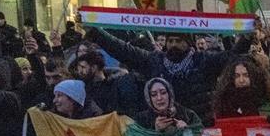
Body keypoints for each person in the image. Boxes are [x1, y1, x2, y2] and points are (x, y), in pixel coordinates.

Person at [85, 27, 236, 124]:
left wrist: (246, 39)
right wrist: (96, 33)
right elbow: (124, 50)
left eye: (179, 41)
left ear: (189, 43)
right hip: (166, 127)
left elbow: (232, 57)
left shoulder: (204, 60)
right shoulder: (155, 61)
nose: (173, 45)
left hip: (200, 125)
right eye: (170, 41)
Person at [212, 56, 270, 122]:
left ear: (255, 76)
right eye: (237, 76)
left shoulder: (268, 98)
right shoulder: (223, 102)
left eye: (246, 75)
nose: (241, 80)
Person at [73, 50, 142, 116]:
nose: (80, 71)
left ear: (94, 67)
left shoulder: (118, 83)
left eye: (83, 67)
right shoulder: (83, 89)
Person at [134, 77, 202, 135]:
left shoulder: (187, 114)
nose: (159, 98)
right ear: (149, 98)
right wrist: (155, 131)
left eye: (163, 92)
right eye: (154, 95)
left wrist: (187, 131)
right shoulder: (142, 120)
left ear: (170, 94)